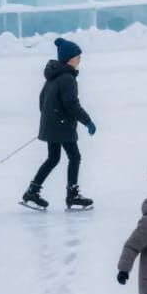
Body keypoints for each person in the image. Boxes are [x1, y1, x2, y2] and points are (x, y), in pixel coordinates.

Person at [22, 37, 95, 211]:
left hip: (53, 124)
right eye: (77, 57)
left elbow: (42, 100)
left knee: (53, 158)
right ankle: (72, 195)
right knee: (74, 157)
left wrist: (50, 118)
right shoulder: (67, 78)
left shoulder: (53, 76)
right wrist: (88, 121)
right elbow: (71, 104)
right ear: (70, 59)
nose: (79, 60)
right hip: (61, 125)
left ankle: (32, 191)